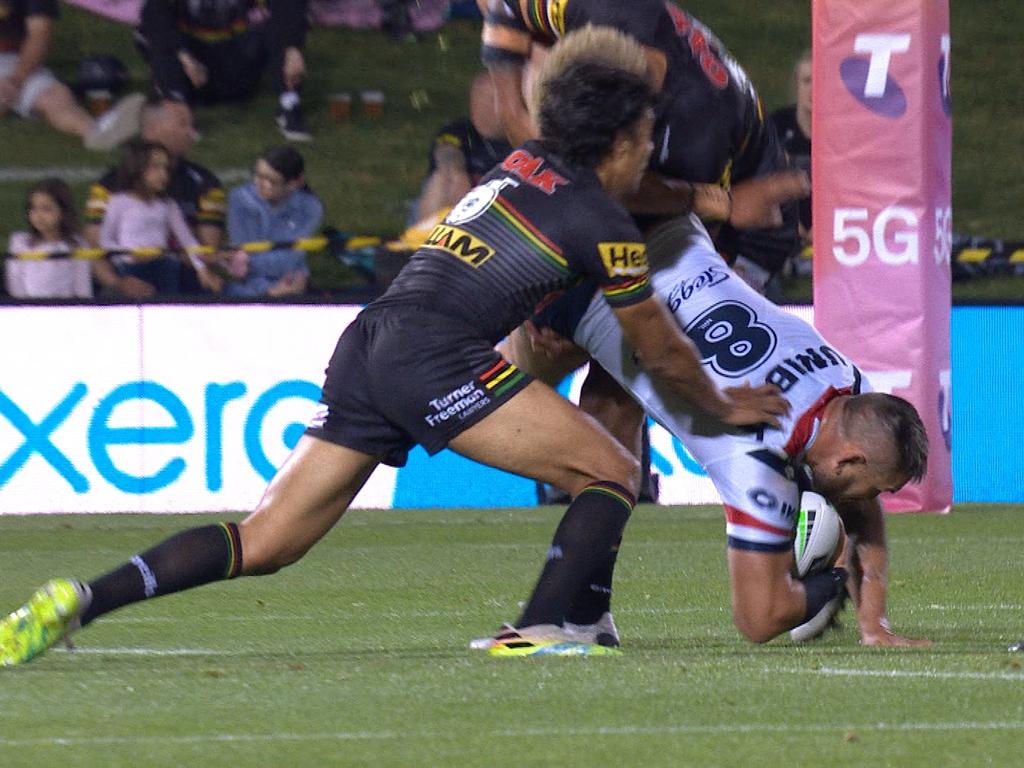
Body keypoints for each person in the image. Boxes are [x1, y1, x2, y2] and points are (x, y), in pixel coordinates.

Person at [0, 39, 787, 666]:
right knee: (612, 467)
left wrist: (698, 199)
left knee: (265, 541)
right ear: (617, 140)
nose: (651, 151)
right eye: (646, 138)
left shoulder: (520, 165)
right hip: (433, 353)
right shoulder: (602, 227)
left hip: (369, 340)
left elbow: (604, 203)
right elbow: (654, 345)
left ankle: (84, 597)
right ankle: (547, 626)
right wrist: (721, 407)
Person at [490, 214, 933, 650]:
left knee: (613, 402)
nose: (865, 501)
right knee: (485, 403)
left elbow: (864, 511)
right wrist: (830, 581)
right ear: (849, 458)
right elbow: (759, 620)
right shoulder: (758, 459)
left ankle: (585, 615)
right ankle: (547, 619)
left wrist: (874, 622)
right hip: (584, 290)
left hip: (670, 231)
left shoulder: (850, 383)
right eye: (871, 487)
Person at [477, 0, 806, 292]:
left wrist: (717, 202)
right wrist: (508, 97)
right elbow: (502, 6)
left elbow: (607, 190)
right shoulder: (596, 8)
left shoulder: (694, 138)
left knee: (647, 326)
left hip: (749, 228)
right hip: (702, 184)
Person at [85, 98, 227, 299]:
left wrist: (202, 263)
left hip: (175, 275)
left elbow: (202, 247)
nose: (192, 133)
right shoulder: (108, 188)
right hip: (125, 274)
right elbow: (96, 246)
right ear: (152, 130)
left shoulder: (205, 183)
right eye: (182, 124)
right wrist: (119, 280)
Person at [135, 0, 312, 142]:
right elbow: (155, 14)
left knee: (279, 29)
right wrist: (184, 55)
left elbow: (288, 6)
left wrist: (292, 48)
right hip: (191, 70)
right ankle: (178, 110)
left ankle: (290, 105)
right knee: (150, 33)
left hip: (236, 64)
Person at [0, 0, 144, 151]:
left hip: (14, 59)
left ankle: (97, 132)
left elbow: (40, 34)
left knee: (54, 96)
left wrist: (16, 80)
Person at [98, 140, 222, 296]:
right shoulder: (119, 202)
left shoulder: (167, 205)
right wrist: (129, 255)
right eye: (155, 167)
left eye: (165, 168)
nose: (163, 175)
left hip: (164, 268)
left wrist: (201, 269)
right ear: (138, 168)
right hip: (131, 269)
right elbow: (106, 241)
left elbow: (188, 240)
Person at [411, 72, 513, 224]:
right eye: (478, 100)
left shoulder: (521, 135)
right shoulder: (460, 130)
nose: (481, 108)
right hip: (464, 200)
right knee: (446, 178)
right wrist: (454, 170)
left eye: (489, 101)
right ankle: (425, 236)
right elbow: (447, 155)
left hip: (506, 204)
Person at [225, 146, 323, 298]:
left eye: (270, 180)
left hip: (292, 283)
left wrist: (248, 262)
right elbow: (241, 261)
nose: (259, 183)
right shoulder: (240, 200)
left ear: (294, 183)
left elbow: (290, 258)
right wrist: (268, 291)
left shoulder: (310, 207)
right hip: (247, 288)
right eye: (257, 175)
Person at [4, 178, 92, 299]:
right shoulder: (20, 243)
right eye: (33, 208)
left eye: (46, 209)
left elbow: (82, 288)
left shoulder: (76, 245)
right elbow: (15, 284)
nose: (38, 215)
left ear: (63, 211)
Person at [769, 49, 813, 260]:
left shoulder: (843, 131)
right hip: (785, 226)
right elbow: (763, 180)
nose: (813, 89)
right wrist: (793, 225)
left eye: (820, 79)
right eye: (807, 81)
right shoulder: (777, 126)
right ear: (797, 85)